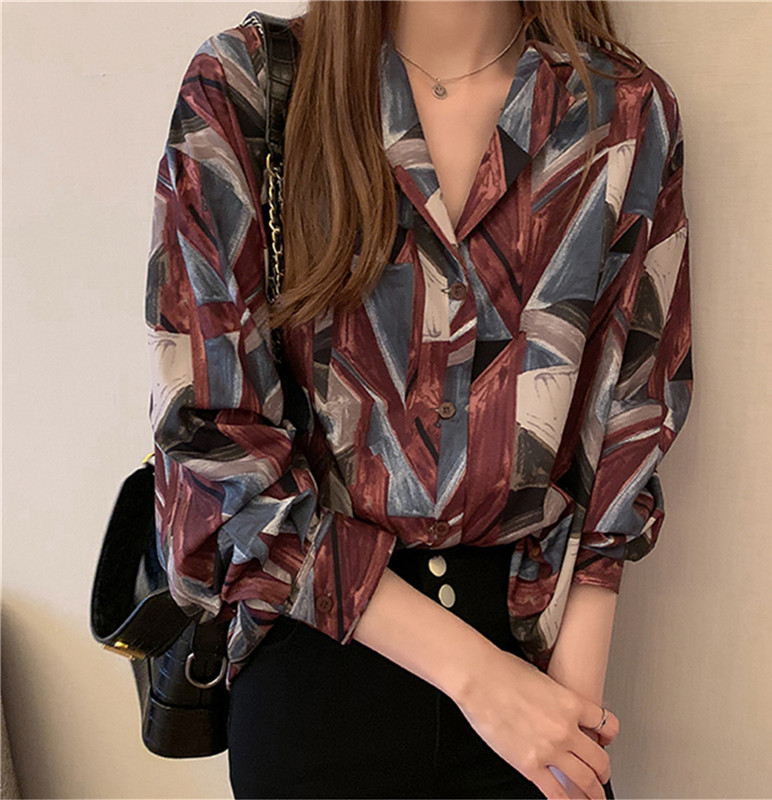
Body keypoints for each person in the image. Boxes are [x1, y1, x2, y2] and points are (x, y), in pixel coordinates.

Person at [144, 1, 693, 797]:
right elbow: (212, 437)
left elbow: (632, 417)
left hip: (534, 653)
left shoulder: (623, 112)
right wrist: (479, 679)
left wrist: (570, 714)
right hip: (319, 653)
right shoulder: (252, 87)